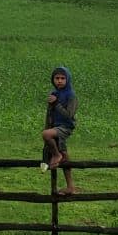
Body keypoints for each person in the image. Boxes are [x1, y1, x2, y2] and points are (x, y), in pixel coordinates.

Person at [41, 65, 77, 195]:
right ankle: (70, 187)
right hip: (55, 127)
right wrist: (48, 126)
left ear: (67, 79)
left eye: (63, 78)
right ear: (53, 80)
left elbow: (69, 115)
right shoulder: (54, 94)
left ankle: (56, 155)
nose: (59, 81)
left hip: (65, 127)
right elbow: (49, 114)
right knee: (65, 156)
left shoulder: (71, 95)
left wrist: (56, 104)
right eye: (57, 78)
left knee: (46, 135)